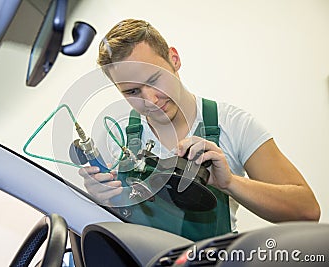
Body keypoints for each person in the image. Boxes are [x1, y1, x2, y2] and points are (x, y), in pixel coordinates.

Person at [79, 18, 320, 241]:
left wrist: (229, 183)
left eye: (154, 80)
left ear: (174, 59)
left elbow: (307, 210)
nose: (150, 99)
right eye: (133, 92)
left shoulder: (233, 124)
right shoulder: (116, 136)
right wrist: (101, 200)